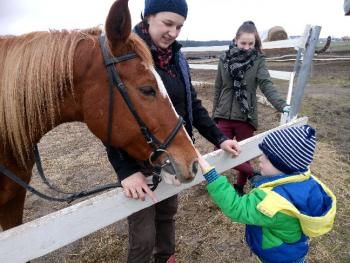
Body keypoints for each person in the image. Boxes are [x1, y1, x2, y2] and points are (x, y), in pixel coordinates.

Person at [106, 1, 240, 262]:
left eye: (179, 26)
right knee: (143, 234)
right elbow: (112, 120)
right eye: (168, 24)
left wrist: (220, 138)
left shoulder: (176, 57)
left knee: (168, 215)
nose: (174, 32)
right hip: (140, 158)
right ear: (148, 17)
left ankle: (166, 258)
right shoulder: (128, 58)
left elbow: (193, 104)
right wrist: (126, 171)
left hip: (175, 152)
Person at [197, 125, 336, 263]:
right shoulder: (308, 181)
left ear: (283, 166)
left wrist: (212, 176)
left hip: (275, 256)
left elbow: (236, 208)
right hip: (294, 251)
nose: (260, 159)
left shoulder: (271, 201)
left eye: (268, 157)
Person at [212, 21, 290, 195]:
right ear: (235, 40)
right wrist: (214, 113)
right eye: (243, 43)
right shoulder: (224, 58)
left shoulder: (258, 61)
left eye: (251, 44)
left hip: (246, 115)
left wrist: (282, 105)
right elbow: (218, 86)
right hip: (223, 114)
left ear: (255, 43)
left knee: (243, 152)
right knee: (218, 151)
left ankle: (239, 186)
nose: (247, 47)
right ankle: (252, 174)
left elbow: (266, 84)